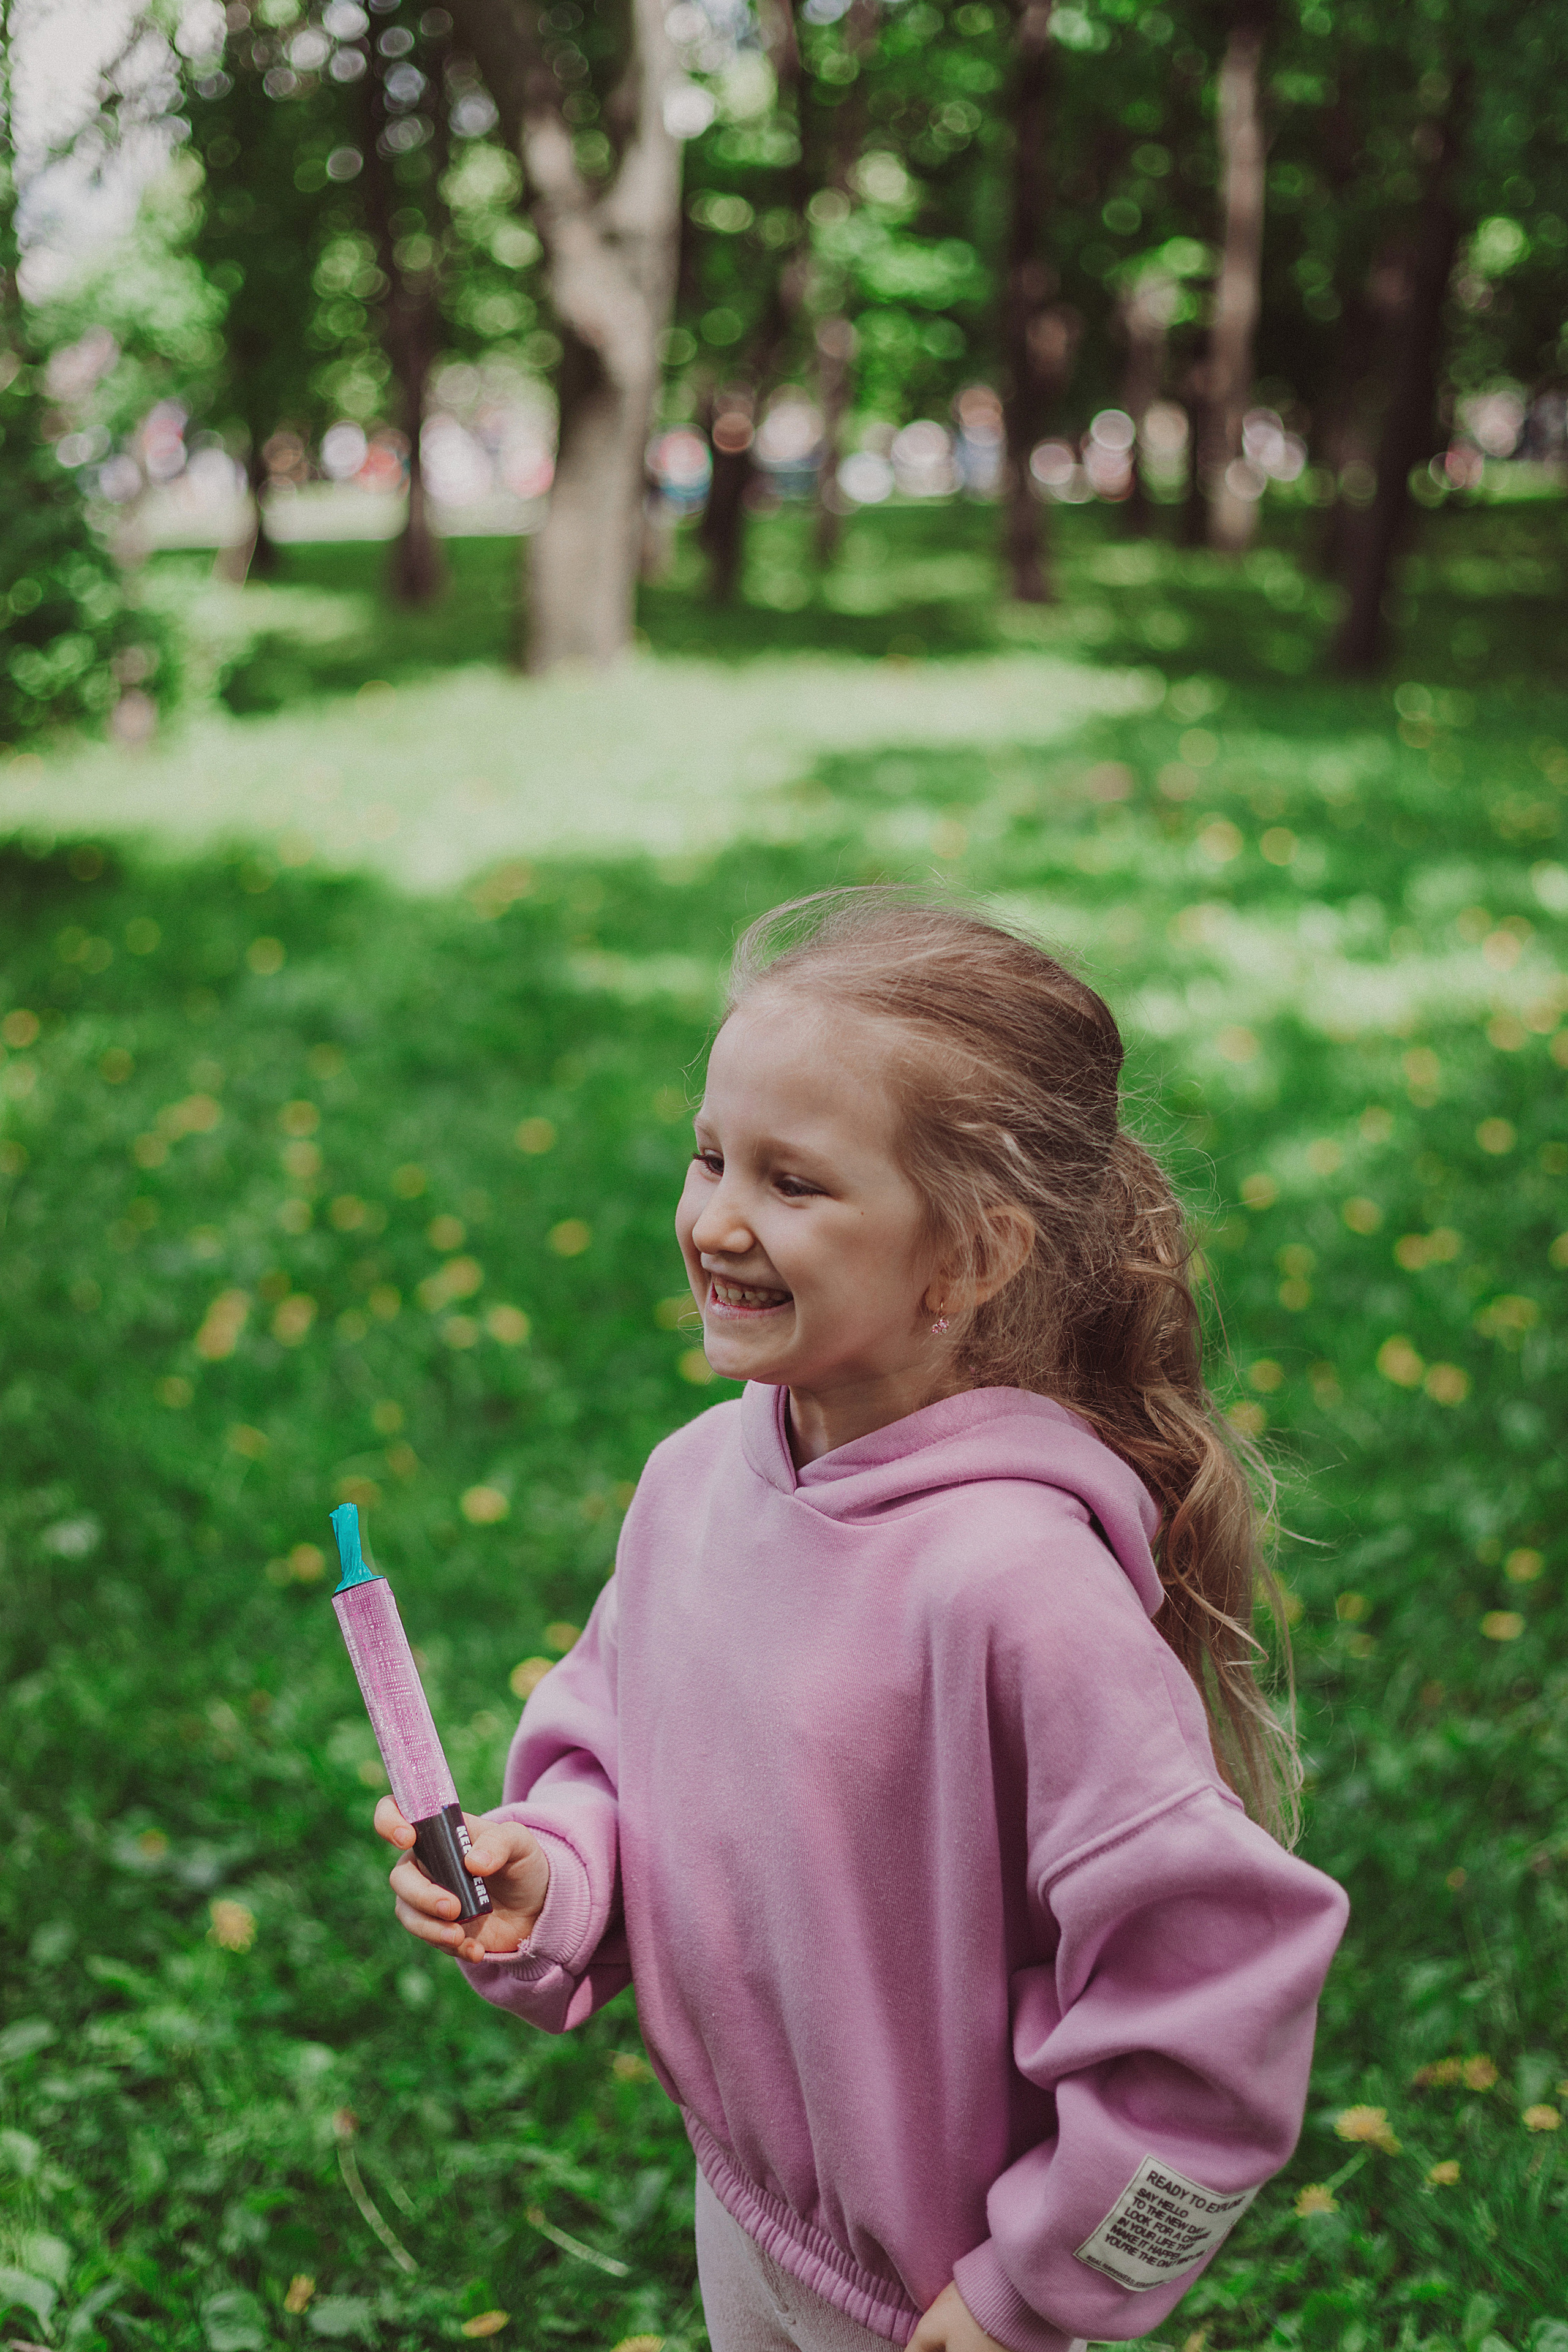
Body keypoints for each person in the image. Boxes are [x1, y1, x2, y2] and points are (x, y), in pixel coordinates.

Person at [375, 889, 1349, 2352]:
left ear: (969, 1259)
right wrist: (554, 1881)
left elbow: (1211, 1997)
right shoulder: (693, 1482)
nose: (715, 1219)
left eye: (794, 1184)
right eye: (709, 1155)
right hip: (749, 2211)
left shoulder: (1017, 1590)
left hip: (944, 2292)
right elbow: (616, 1753)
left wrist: (1036, 2286)